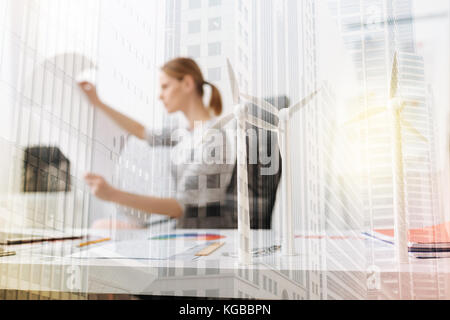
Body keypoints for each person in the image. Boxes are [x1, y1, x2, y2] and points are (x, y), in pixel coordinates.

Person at [79, 58, 236, 229]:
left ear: (187, 84)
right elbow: (142, 132)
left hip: (197, 231)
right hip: (180, 225)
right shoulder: (186, 133)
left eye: (165, 86)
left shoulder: (213, 138)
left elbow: (179, 207)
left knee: (102, 228)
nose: (160, 96)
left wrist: (112, 194)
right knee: (101, 226)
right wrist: (98, 103)